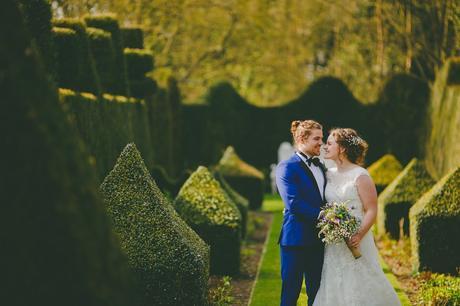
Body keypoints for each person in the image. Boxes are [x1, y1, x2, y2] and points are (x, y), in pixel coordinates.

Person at [313, 128, 400, 306]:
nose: (325, 147)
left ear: (342, 148)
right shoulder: (327, 175)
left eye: (330, 143)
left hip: (358, 237)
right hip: (334, 243)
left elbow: (371, 209)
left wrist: (358, 235)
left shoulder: (360, 175)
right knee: (334, 280)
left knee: (362, 279)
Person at [276, 119, 327, 306]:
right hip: (295, 240)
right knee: (290, 294)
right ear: (302, 139)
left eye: (322, 138)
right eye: (317, 138)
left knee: (317, 293)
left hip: (319, 239)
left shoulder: (320, 166)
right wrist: (324, 216)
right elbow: (292, 202)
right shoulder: (287, 166)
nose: (321, 142)